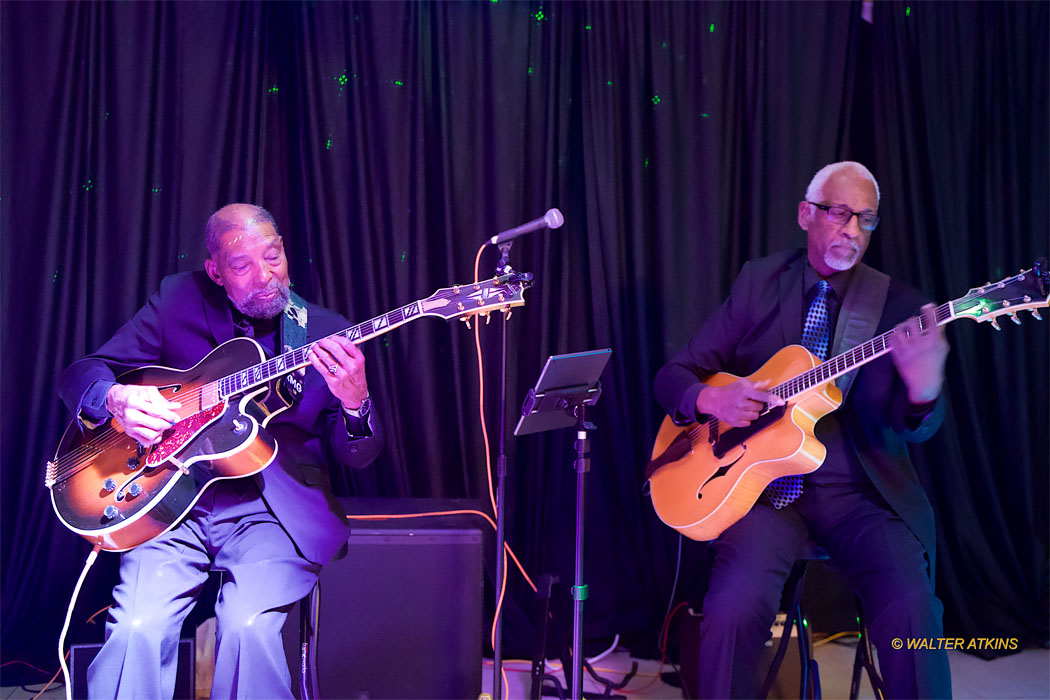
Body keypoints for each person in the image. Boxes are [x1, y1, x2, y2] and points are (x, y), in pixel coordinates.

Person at [58, 203, 382, 698]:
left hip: (272, 513)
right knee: (135, 629)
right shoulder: (177, 300)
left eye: (272, 257)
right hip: (171, 506)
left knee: (247, 628)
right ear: (215, 271)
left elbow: (358, 454)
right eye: (242, 266)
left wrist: (356, 404)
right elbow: (83, 372)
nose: (265, 277)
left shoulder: (324, 332)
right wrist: (116, 398)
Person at [653, 162, 952, 698]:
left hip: (860, 496)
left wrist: (925, 390)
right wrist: (709, 396)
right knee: (732, 610)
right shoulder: (759, 282)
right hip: (765, 496)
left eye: (865, 220)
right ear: (806, 214)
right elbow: (672, 376)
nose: (852, 230)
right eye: (840, 214)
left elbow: (919, 431)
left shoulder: (900, 307)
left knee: (914, 611)